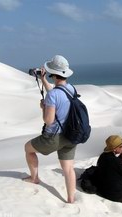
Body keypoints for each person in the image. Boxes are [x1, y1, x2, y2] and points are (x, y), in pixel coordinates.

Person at [24, 55, 77, 203]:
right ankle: (71, 198)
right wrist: (43, 80)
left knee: (28, 149)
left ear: (53, 73)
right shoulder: (71, 89)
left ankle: (34, 178)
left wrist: (43, 108)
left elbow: (48, 120)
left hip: (54, 137)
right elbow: (56, 92)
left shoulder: (53, 95)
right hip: (71, 136)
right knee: (68, 169)